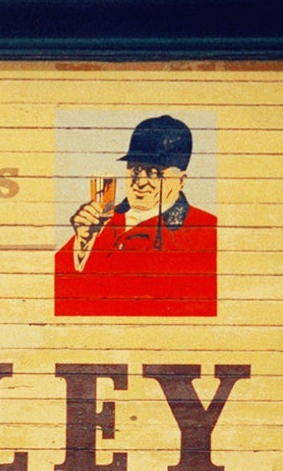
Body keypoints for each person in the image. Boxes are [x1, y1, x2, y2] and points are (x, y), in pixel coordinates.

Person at [54, 112, 220, 318]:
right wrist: (82, 245)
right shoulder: (100, 219)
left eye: (154, 173)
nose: (140, 182)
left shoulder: (207, 230)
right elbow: (54, 295)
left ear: (181, 180)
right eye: (135, 170)